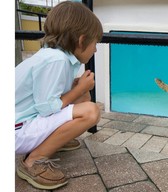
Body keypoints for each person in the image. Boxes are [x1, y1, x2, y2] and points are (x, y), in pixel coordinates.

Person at [15, 1, 103, 190]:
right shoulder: (56, 61)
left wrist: (77, 89)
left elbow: (46, 96)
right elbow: (47, 108)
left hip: (22, 121)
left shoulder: (54, 56)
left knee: (84, 98)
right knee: (90, 111)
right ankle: (34, 161)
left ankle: (55, 139)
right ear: (81, 41)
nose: (96, 49)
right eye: (95, 43)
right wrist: (79, 89)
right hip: (16, 130)